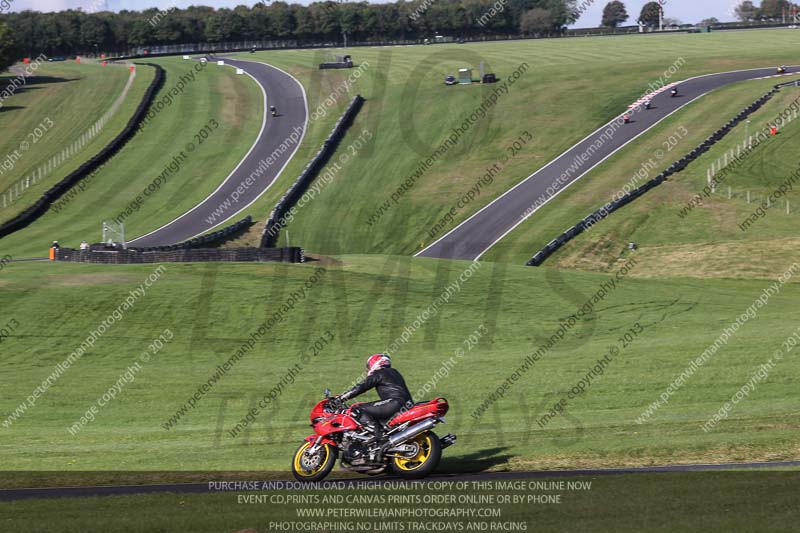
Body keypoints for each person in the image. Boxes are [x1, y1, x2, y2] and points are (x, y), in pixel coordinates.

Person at [336, 354, 413, 446]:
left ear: (375, 363)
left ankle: (379, 436)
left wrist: (341, 398)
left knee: (357, 409)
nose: (368, 369)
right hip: (407, 404)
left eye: (369, 366)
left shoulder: (379, 373)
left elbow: (361, 387)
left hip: (395, 402)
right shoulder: (395, 372)